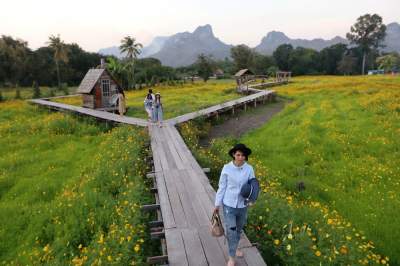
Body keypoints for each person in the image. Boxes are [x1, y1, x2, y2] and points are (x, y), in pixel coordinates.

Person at [214, 143, 255, 266]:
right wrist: (217, 204)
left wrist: (251, 199)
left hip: (243, 206)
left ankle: (235, 247)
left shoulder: (249, 169)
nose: (241, 157)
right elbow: (222, 187)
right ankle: (231, 257)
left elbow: (253, 186)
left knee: (238, 229)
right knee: (231, 230)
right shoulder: (226, 168)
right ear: (233, 154)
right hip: (229, 205)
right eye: (238, 154)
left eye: (243, 155)